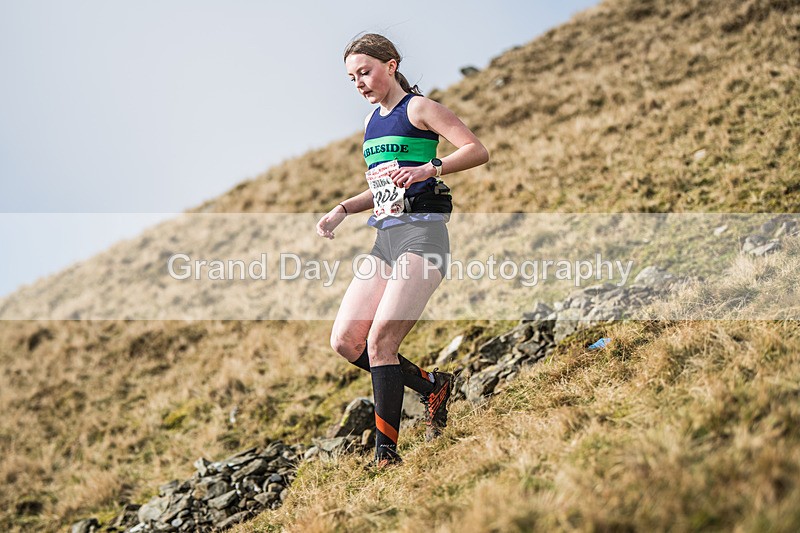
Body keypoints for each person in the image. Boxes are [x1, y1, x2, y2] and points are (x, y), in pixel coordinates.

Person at [315, 33, 489, 467]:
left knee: (380, 342)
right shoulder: (373, 123)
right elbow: (383, 189)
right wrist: (342, 209)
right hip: (386, 238)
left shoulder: (420, 107)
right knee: (346, 340)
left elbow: (476, 150)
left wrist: (429, 167)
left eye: (365, 72)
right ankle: (432, 386)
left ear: (390, 65)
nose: (359, 82)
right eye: (352, 77)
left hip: (424, 235)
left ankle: (386, 456)